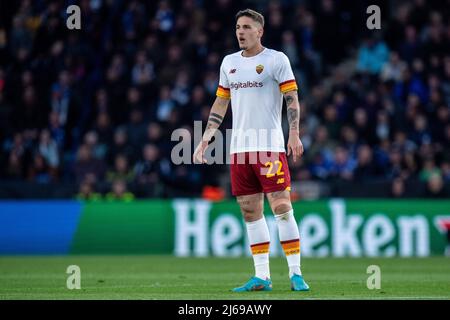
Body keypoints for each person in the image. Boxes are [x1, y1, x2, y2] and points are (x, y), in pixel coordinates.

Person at [193, 9, 309, 292]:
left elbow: (291, 99)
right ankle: (262, 276)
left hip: (269, 147)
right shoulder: (228, 63)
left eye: (246, 27)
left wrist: (294, 133)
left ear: (260, 31)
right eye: (237, 27)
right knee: (250, 212)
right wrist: (206, 137)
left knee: (281, 207)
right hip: (239, 149)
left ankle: (296, 273)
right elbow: (221, 103)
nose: (240, 32)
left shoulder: (276, 59)